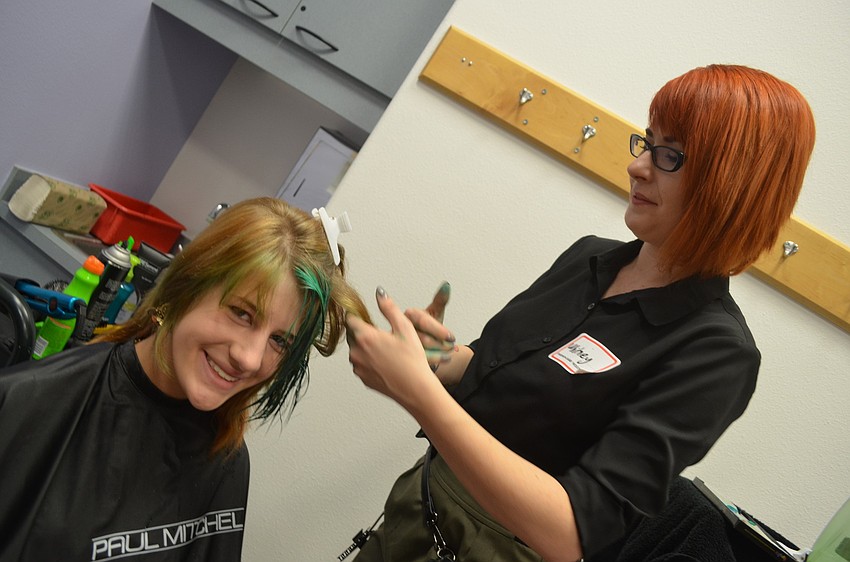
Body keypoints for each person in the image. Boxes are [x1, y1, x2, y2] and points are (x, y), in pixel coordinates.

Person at [345, 64, 816, 562]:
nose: (639, 167)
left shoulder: (718, 352)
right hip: (415, 516)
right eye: (646, 142)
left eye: (671, 156)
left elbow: (572, 532)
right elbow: (512, 386)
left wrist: (418, 393)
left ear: (733, 186)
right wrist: (439, 359)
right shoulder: (589, 258)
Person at [0, 197, 370, 561]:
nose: (250, 358)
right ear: (185, 287)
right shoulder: (28, 404)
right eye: (241, 313)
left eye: (279, 340)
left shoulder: (227, 460)